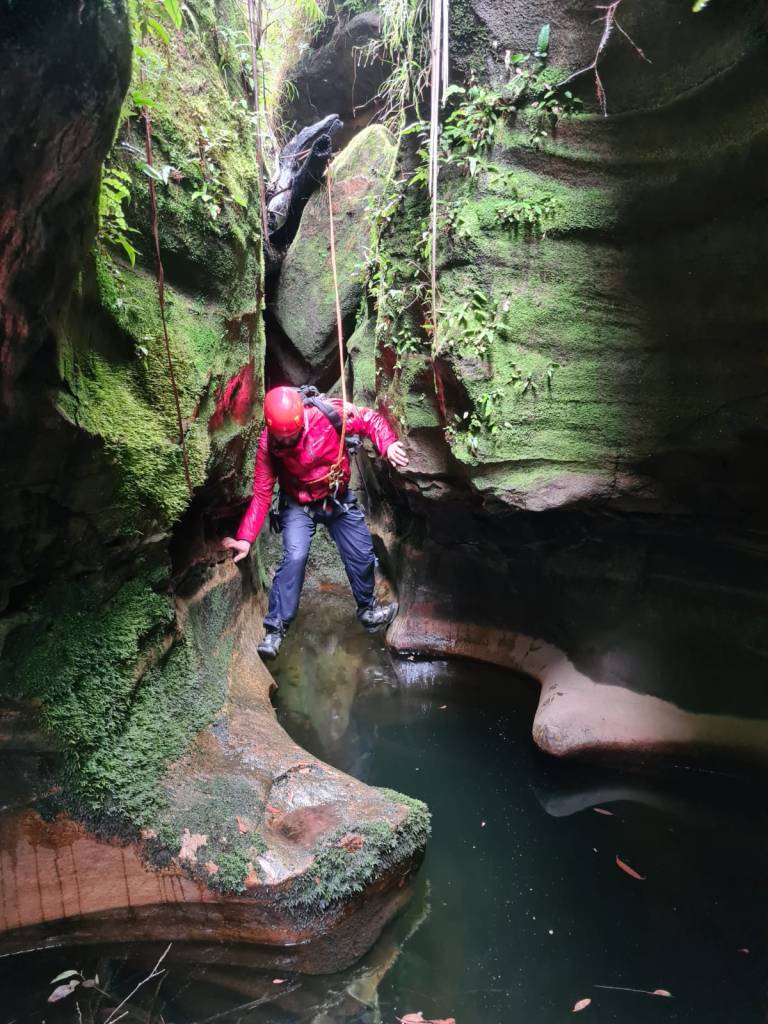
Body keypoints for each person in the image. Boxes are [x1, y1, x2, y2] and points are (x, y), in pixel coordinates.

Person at [222, 386, 409, 659]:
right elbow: (262, 494)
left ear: (301, 421)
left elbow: (369, 419)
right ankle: (275, 630)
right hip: (298, 504)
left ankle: (368, 611)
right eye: (281, 437)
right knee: (295, 556)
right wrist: (245, 537)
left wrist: (388, 443)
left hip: (336, 498)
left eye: (291, 435)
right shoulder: (268, 444)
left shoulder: (326, 414)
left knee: (361, 553)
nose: (286, 441)